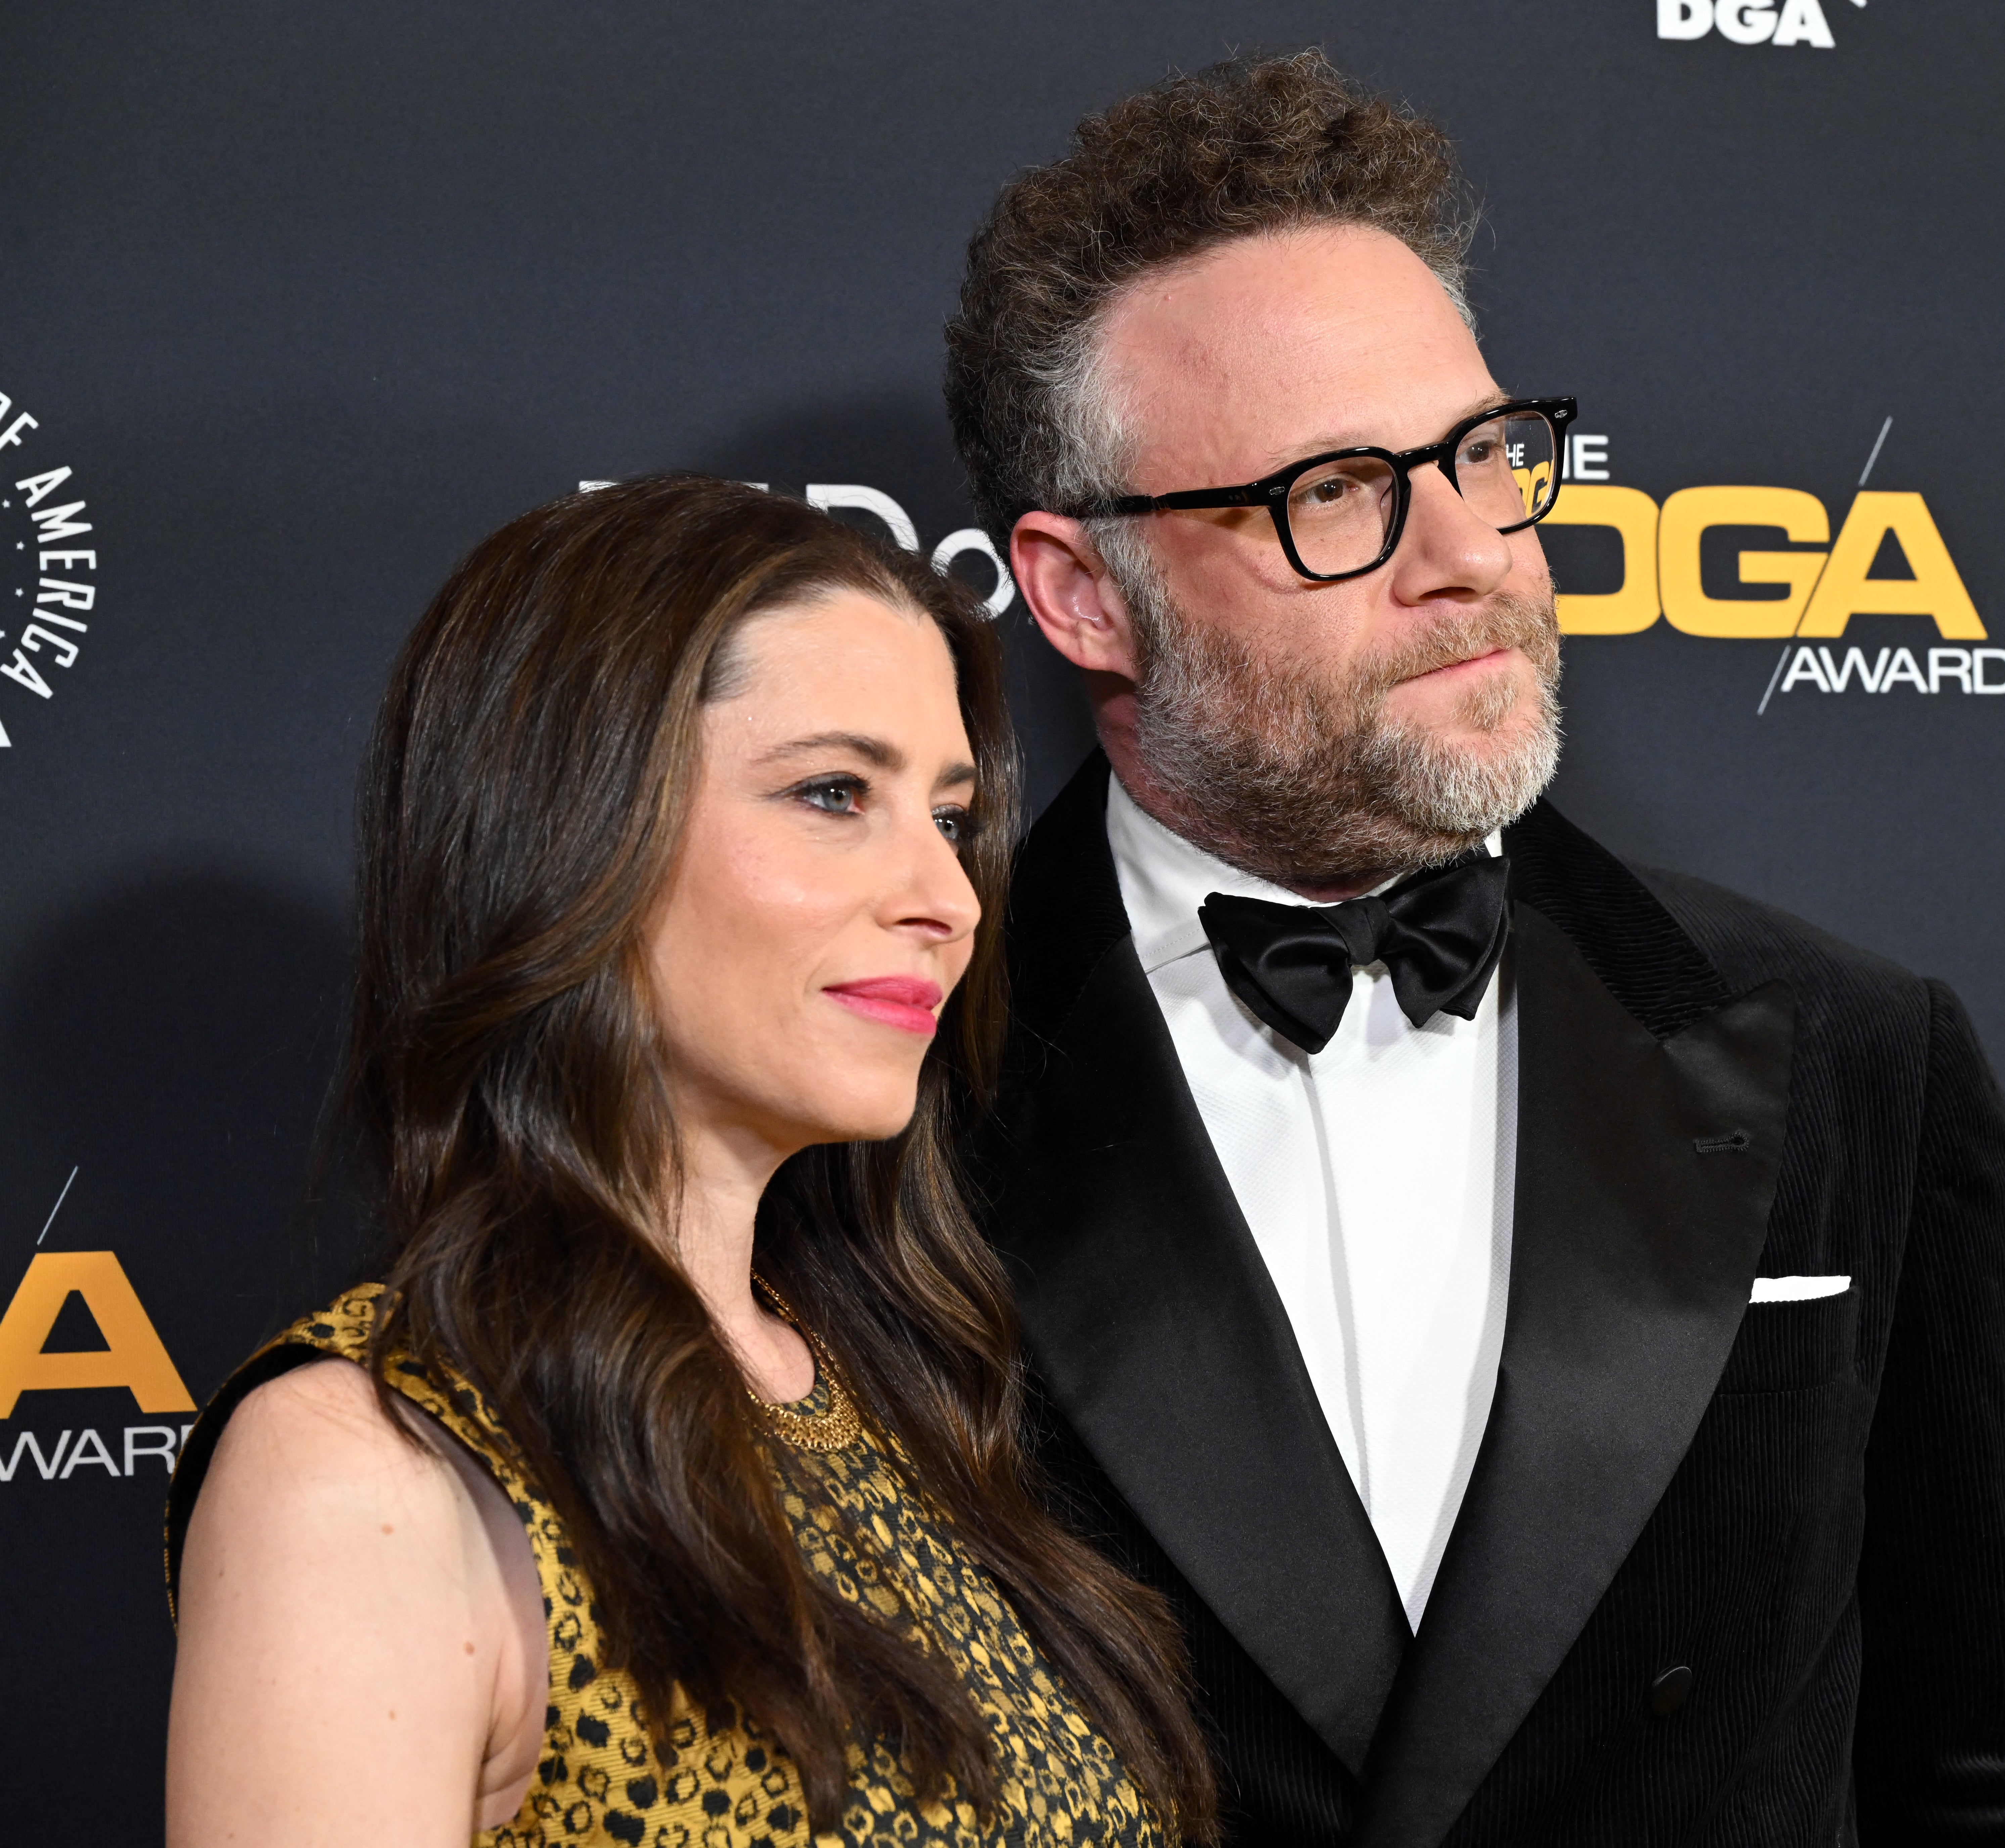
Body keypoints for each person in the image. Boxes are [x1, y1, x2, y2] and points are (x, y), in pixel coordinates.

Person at [945, 51, 2005, 1847]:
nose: (1468, 554)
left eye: (1484, 454)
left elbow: (1966, 1756)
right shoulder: (889, 1090)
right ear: (1079, 592)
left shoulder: (1852, 1046)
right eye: (1334, 490)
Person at [163, 476, 1217, 1848]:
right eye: (833, 794)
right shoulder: (371, 1471)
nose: (947, 899)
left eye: (951, 817)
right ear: (572, 828)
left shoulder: (893, 1396)